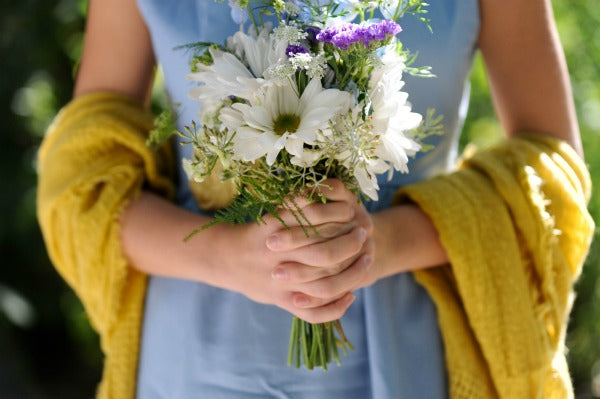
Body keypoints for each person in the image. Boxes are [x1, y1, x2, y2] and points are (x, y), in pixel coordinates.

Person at [36, 0, 594, 398]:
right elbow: (87, 187)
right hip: (195, 362)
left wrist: (384, 242)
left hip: (413, 356)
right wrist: (227, 255)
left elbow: (553, 172)